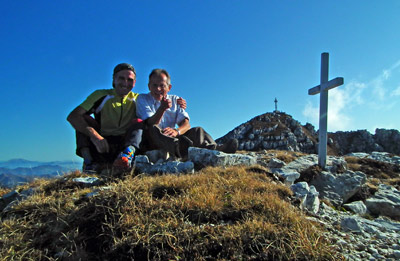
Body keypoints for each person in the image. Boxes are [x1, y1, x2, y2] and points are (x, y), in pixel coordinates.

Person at [67, 63, 187, 173]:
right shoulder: (100, 95)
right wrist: (96, 137)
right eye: (121, 78)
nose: (125, 83)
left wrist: (178, 102)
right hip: (103, 143)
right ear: (114, 79)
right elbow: (73, 116)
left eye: (129, 80)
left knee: (139, 122)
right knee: (83, 120)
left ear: (134, 83)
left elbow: (157, 95)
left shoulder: (138, 99)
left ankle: (126, 157)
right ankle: (89, 163)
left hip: (125, 143)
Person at [136, 68, 238, 159]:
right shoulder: (142, 99)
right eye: (154, 85)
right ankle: (180, 149)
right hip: (153, 139)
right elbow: (150, 122)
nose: (158, 89)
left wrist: (177, 131)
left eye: (162, 85)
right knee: (154, 129)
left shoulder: (175, 100)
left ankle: (216, 148)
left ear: (169, 87)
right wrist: (162, 109)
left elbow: (186, 124)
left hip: (173, 137)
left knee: (198, 130)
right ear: (149, 86)